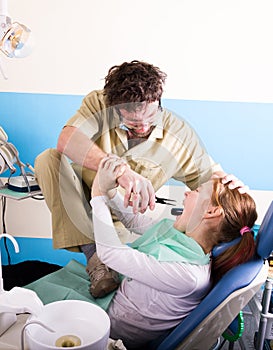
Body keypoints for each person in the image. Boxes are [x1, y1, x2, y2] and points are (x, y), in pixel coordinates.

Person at [34, 60, 246, 298]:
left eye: (150, 116)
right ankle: (94, 258)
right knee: (48, 159)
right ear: (113, 108)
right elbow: (67, 140)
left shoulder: (178, 135)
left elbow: (210, 179)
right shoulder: (98, 103)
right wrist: (121, 171)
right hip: (78, 198)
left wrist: (233, 190)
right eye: (133, 122)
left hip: (122, 215)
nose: (143, 126)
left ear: (158, 102)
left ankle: (102, 261)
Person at [90, 156, 257, 349]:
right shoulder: (183, 238)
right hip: (114, 297)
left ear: (211, 212)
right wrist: (110, 193)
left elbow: (110, 253)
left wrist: (98, 194)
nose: (186, 193)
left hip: (108, 326)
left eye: (195, 191)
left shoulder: (189, 276)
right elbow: (134, 222)